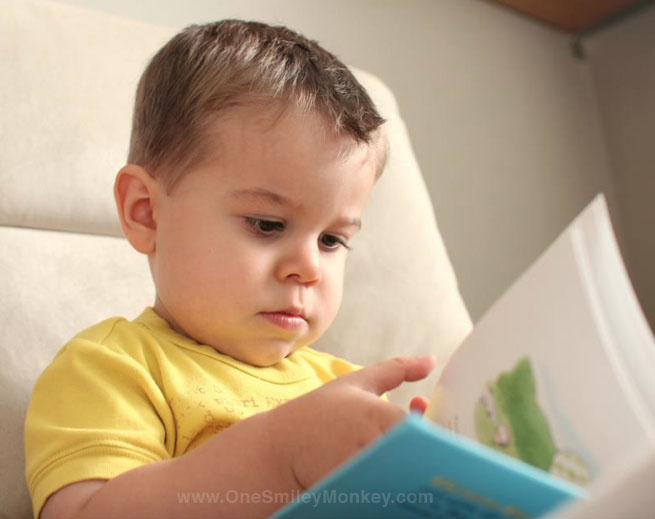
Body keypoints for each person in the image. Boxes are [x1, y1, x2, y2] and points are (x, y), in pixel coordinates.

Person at [24, 19, 436, 519]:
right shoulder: (115, 369)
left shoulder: (343, 390)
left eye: (332, 240)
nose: (308, 268)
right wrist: (281, 456)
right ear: (146, 212)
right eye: (267, 224)